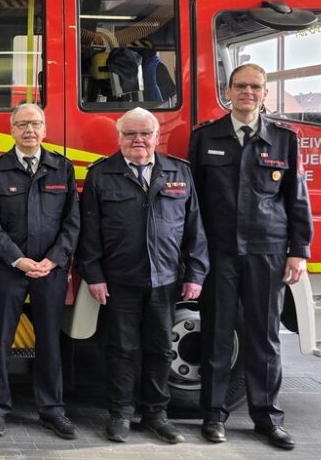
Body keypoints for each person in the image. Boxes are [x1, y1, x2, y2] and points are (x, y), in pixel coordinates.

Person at [189, 64, 313, 450]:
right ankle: (213, 416)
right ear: (228, 90)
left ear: (265, 93)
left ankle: (267, 418)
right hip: (219, 253)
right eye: (241, 86)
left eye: (255, 87)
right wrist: (192, 254)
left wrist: (299, 251)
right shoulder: (205, 137)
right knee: (216, 336)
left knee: (265, 338)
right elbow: (192, 203)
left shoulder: (283, 140)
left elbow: (296, 198)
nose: (247, 92)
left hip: (268, 252)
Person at [76, 107, 208, 444]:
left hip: (165, 280)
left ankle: (156, 415)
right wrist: (94, 275)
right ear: (119, 137)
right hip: (120, 279)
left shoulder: (179, 172)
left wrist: (195, 274)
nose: (138, 140)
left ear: (155, 137)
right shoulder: (101, 174)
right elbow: (88, 231)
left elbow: (195, 229)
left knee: (161, 349)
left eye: (145, 134)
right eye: (130, 134)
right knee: (121, 349)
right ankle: (120, 414)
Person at [0, 103, 80, 440]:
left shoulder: (62, 168)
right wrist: (17, 259)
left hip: (50, 270)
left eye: (35, 123)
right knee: (1, 339)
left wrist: (53, 259)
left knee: (50, 341)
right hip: (10, 269)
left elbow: (72, 222)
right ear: (11, 130)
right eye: (22, 124)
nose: (29, 130)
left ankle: (52, 410)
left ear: (45, 128)